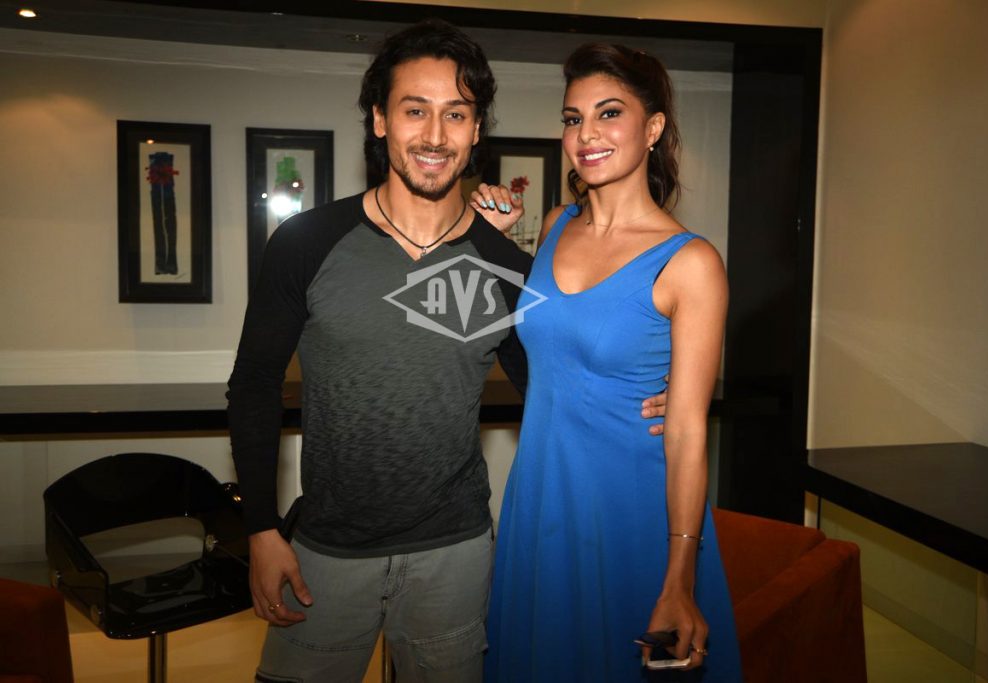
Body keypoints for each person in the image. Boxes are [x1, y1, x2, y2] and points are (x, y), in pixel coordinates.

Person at [227, 21, 668, 683]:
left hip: (456, 557)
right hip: (326, 553)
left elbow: (554, 383)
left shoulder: (502, 265)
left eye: (456, 114)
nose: (435, 135)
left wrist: (654, 394)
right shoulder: (306, 242)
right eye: (415, 110)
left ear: (476, 129)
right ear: (380, 120)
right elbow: (254, 385)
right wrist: (261, 529)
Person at [484, 43, 744, 682]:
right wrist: (490, 243)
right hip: (540, 494)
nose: (586, 134)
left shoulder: (690, 262)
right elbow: (547, 342)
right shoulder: (554, 225)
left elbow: (687, 431)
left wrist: (680, 574)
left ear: (652, 128)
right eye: (573, 118)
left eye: (609, 113)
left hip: (629, 508)